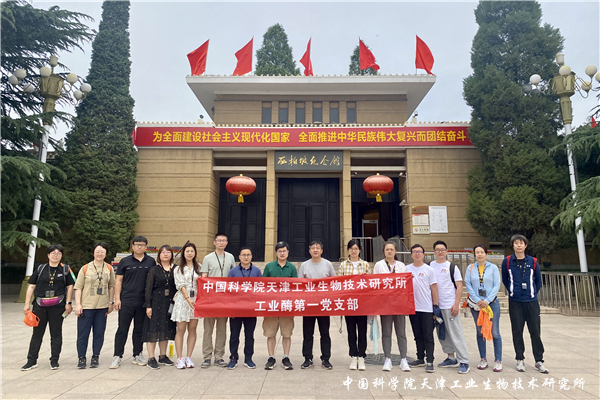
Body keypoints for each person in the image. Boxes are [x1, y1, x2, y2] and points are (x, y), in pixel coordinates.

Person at [21, 244, 74, 371]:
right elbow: (31, 286)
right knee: (37, 333)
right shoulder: (41, 268)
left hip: (58, 306)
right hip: (40, 305)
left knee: (56, 333)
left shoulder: (65, 269)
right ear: (48, 255)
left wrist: (68, 303)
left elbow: (70, 286)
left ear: (61, 255)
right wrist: (27, 304)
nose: (56, 255)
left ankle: (54, 360)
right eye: (53, 253)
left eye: (58, 253)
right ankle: (31, 360)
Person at [501, 235, 548, 374]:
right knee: (517, 331)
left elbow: (538, 281)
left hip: (531, 302)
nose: (519, 245)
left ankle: (539, 360)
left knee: (535, 332)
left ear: (525, 246)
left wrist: (531, 293)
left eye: (521, 243)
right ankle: (520, 359)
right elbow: (505, 279)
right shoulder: (507, 261)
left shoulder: (533, 261)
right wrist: (513, 291)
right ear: (513, 245)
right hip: (515, 302)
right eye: (516, 243)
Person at [111, 236, 155, 369]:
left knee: (139, 329)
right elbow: (118, 281)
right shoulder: (125, 261)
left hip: (143, 302)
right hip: (126, 300)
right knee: (122, 329)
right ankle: (117, 356)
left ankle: (137, 354)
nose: (139, 247)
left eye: (142, 245)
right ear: (133, 246)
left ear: (146, 247)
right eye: (137, 244)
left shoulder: (151, 261)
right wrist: (117, 299)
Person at [74, 242, 116, 369]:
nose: (99, 254)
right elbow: (78, 287)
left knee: (99, 333)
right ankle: (81, 357)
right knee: (83, 334)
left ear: (106, 254)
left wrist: (111, 302)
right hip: (86, 307)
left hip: (102, 307)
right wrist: (78, 304)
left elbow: (111, 286)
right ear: (93, 252)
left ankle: (95, 356)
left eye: (102, 252)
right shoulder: (85, 268)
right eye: (97, 251)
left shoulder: (109, 268)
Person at [430, 240, 470, 374]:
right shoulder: (430, 266)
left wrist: (456, 304)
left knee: (456, 333)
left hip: (450, 305)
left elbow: (459, 286)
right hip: (437, 306)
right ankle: (451, 358)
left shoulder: (452, 267)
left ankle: (464, 361)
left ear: (446, 251)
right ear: (434, 252)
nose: (440, 252)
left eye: (442, 249)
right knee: (443, 333)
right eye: (437, 249)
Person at [373, 241, 411, 372]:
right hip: (385, 304)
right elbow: (375, 283)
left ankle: (403, 359)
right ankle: (387, 358)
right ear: (384, 251)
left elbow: (405, 285)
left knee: (401, 333)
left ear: (395, 251)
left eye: (391, 249)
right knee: (386, 332)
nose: (389, 251)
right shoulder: (379, 265)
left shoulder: (401, 266)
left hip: (399, 304)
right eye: (387, 249)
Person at [298, 241, 336, 370]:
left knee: (325, 333)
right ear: (309, 251)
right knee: (307, 333)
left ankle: (326, 359)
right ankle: (307, 358)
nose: (315, 250)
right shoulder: (304, 265)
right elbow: (299, 284)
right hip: (308, 304)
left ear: (321, 251)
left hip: (323, 305)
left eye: (318, 248)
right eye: (313, 248)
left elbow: (334, 282)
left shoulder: (328, 264)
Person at [200, 233, 235, 368]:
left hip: (225, 299)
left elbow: (233, 276)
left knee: (222, 329)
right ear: (214, 242)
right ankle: (207, 357)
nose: (221, 242)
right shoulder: (208, 258)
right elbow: (204, 278)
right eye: (219, 240)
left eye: (223, 240)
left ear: (227, 242)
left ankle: (219, 356)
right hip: (211, 299)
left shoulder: (230, 257)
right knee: (208, 329)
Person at [465, 244, 502, 372]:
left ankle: (498, 360)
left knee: (495, 332)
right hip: (477, 304)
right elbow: (468, 284)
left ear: (486, 254)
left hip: (491, 303)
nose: (479, 254)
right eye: (477, 252)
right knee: (480, 332)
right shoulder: (470, 268)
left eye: (482, 252)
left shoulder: (493, 268)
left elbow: (497, 284)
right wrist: (477, 300)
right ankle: (483, 358)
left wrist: (487, 300)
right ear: (474, 254)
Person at [262, 241, 298, 370]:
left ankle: (286, 357)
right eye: (279, 251)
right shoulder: (269, 267)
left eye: (284, 251)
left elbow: (296, 287)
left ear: (288, 252)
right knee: (270, 333)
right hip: (271, 305)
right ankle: (271, 357)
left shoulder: (292, 268)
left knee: (286, 333)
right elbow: (263, 285)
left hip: (286, 306)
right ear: (276, 253)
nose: (282, 253)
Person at [338, 239, 372, 371]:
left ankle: (361, 356)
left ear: (360, 250)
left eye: (356, 248)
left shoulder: (365, 264)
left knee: (362, 330)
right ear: (348, 250)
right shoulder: (343, 265)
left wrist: (365, 278)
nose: (353, 251)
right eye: (351, 248)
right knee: (351, 330)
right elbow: (339, 283)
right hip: (349, 303)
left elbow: (371, 284)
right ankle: (353, 355)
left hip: (362, 303)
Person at [226, 247, 262, 370]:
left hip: (251, 309)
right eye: (243, 255)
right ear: (239, 257)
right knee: (234, 335)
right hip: (236, 309)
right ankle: (233, 357)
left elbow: (261, 289)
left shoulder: (257, 271)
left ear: (251, 256)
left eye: (248, 255)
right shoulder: (233, 272)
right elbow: (228, 290)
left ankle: (248, 358)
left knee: (249, 335)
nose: (246, 257)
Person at [405, 243, 438, 373]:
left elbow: (434, 289)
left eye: (419, 251)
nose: (417, 254)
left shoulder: (429, 270)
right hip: (413, 308)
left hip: (427, 308)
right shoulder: (407, 269)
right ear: (411, 255)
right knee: (417, 335)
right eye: (414, 251)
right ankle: (420, 358)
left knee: (428, 335)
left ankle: (430, 360)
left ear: (423, 254)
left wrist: (435, 306)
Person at [143, 245, 177, 369]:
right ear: (159, 255)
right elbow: (148, 289)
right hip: (156, 302)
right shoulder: (154, 269)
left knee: (165, 329)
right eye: (163, 252)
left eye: (168, 252)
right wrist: (148, 306)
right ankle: (151, 358)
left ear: (171, 255)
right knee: (153, 330)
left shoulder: (176, 269)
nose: (165, 254)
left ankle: (163, 356)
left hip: (170, 303)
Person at [171, 242, 201, 369]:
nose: (190, 253)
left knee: (192, 329)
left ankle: (189, 357)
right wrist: (188, 299)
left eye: (192, 251)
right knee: (181, 330)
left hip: (195, 302)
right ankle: (179, 358)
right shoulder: (178, 269)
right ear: (183, 253)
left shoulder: (199, 267)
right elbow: (180, 285)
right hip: (183, 301)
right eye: (187, 251)